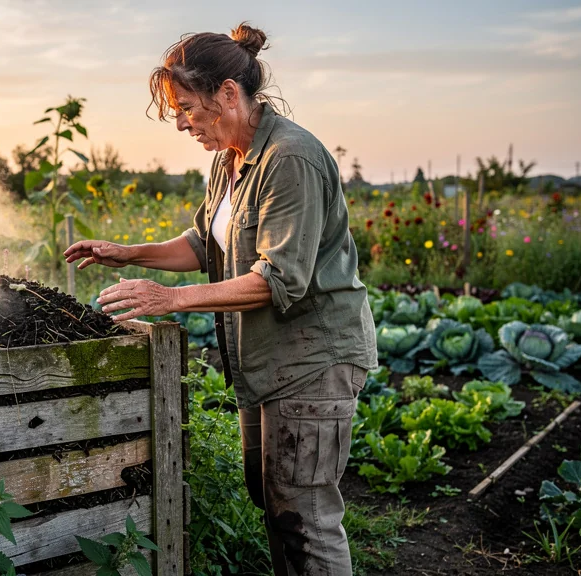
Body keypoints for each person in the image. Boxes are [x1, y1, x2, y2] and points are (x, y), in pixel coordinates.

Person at [64, 22, 377, 576]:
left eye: (187, 108)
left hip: (313, 363)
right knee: (276, 505)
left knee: (305, 514)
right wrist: (128, 252)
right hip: (267, 364)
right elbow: (203, 242)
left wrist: (170, 299)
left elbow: (278, 278)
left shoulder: (289, 159)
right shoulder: (230, 160)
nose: (183, 124)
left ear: (228, 94)